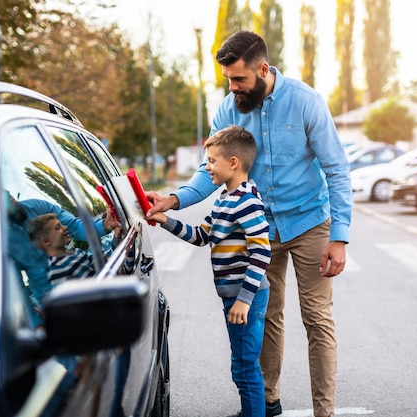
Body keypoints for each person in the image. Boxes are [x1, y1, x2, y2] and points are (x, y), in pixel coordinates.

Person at [146, 31, 352, 417]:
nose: (233, 87)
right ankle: (267, 401)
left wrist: (339, 236)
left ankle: (324, 412)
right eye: (227, 79)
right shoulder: (227, 109)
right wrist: (172, 200)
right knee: (267, 315)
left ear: (262, 68)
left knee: (317, 319)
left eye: (239, 79)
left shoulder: (306, 102)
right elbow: (211, 173)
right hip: (256, 226)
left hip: (309, 221)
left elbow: (336, 169)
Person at [147, 126, 271, 417]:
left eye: (211, 161)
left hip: (245, 297)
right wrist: (164, 219)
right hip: (235, 296)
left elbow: (262, 252)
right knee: (242, 362)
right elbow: (201, 235)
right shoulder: (225, 198)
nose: (207, 168)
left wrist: (244, 299)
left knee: (244, 366)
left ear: (233, 163)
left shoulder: (247, 202)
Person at [7, 194, 120, 328]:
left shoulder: (37, 207)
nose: (12, 200)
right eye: (4, 200)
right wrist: (37, 324)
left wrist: (104, 226)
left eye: (8, 195)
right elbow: (18, 287)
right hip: (53, 305)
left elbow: (74, 226)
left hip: (86, 292)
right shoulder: (0, 240)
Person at [28, 213, 97, 284]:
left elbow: (95, 263)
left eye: (62, 224)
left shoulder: (75, 251)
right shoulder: (57, 269)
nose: (65, 227)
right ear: (46, 241)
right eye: (58, 227)